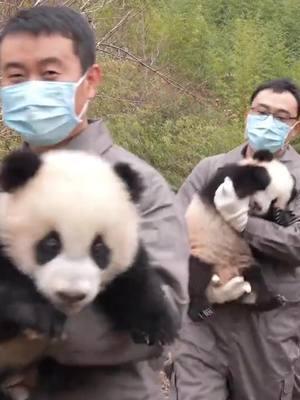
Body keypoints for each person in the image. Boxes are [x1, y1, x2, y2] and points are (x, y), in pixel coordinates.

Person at [0, 6, 189, 400]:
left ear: (90, 81)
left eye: (50, 74)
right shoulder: (9, 183)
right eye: (16, 76)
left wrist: (34, 330)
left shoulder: (134, 185)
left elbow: (162, 318)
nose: (32, 88)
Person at [170, 78, 300, 400]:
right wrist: (196, 284)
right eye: (262, 112)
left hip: (268, 328)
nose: (269, 122)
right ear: (247, 115)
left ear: (294, 128)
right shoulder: (211, 168)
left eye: (281, 117)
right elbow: (171, 235)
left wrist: (245, 224)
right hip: (204, 325)